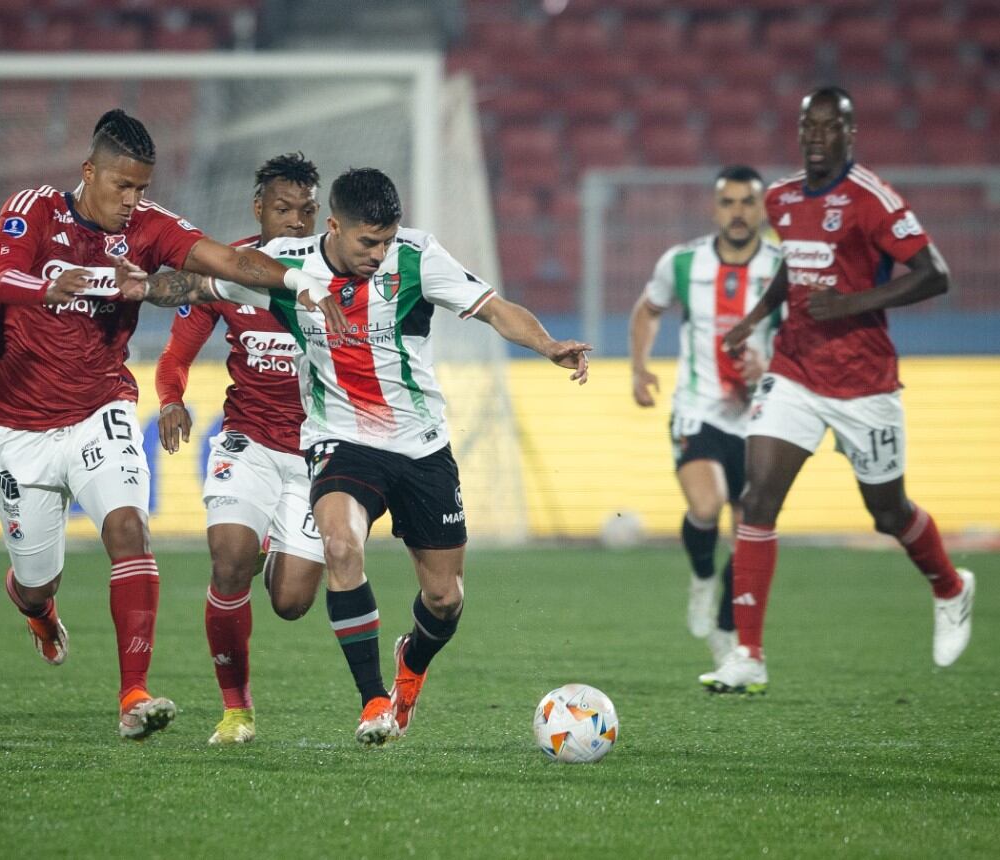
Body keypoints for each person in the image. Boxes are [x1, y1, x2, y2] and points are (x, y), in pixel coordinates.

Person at [122, 167, 591, 745]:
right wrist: (138, 284)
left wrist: (547, 345)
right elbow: (195, 286)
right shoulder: (285, 264)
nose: (380, 253)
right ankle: (373, 703)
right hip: (340, 440)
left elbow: (495, 308)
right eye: (368, 242)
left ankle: (410, 664)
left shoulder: (417, 256)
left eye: (387, 241)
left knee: (444, 599)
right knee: (342, 545)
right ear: (336, 227)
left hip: (422, 446)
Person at [0, 110, 342, 741]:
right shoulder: (35, 209)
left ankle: (134, 695)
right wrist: (56, 284)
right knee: (39, 578)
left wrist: (295, 282)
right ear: (89, 172)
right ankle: (36, 608)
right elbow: (1, 280)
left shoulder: (151, 228)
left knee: (130, 529)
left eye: (142, 188)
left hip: (102, 408)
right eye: (122, 187)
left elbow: (222, 265)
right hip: (19, 423)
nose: (133, 200)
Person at [702, 86, 976, 694]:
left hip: (864, 382)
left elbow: (936, 275)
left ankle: (950, 587)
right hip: (795, 370)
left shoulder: (872, 200)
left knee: (887, 512)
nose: (816, 138)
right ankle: (748, 653)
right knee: (756, 500)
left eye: (829, 128)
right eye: (809, 128)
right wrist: (754, 318)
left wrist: (852, 303)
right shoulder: (782, 196)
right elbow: (794, 268)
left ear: (852, 135)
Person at [153, 152, 326, 746]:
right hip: (246, 441)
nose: (297, 222)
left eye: (307, 211)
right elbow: (175, 355)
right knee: (228, 561)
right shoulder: (228, 271)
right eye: (284, 209)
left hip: (316, 456)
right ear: (259, 210)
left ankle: (275, 540)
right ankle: (236, 711)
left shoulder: (335, 278)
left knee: (291, 603)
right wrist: (171, 399)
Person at [628, 165, 784, 668]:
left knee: (751, 526)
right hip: (698, 407)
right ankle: (700, 575)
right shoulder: (683, 262)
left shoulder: (784, 267)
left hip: (761, 413)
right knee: (706, 502)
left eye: (748, 202)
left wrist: (772, 365)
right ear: (715, 208)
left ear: (762, 209)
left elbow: (804, 334)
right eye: (729, 202)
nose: (738, 213)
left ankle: (724, 625)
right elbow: (648, 310)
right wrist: (639, 368)